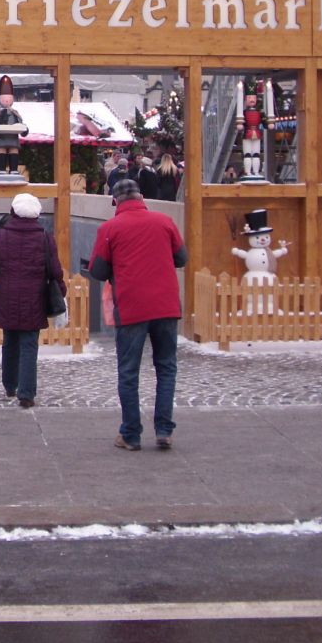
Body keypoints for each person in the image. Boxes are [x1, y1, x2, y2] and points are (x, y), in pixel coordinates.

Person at [90, 177, 188, 450]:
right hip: (166, 306)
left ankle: (131, 434)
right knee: (166, 367)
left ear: (115, 201)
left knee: (129, 371)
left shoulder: (110, 228)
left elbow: (98, 271)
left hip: (132, 307)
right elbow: (181, 258)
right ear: (141, 197)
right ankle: (164, 430)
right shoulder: (165, 222)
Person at [0, 193, 65, 408]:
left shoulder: (1, 236)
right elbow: (55, 269)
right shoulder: (45, 237)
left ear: (13, 211)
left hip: (7, 294)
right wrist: (61, 289)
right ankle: (26, 394)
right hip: (34, 297)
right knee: (29, 344)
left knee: (9, 341)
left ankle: (9, 384)